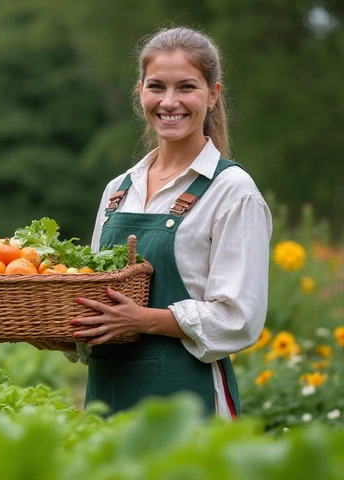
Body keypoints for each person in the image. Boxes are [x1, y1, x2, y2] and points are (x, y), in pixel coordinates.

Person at [66, 26, 272, 419]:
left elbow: (238, 318)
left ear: (212, 95)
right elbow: (97, 295)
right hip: (108, 396)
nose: (170, 102)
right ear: (140, 90)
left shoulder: (233, 191)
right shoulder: (118, 190)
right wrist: (67, 332)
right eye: (157, 86)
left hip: (188, 400)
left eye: (186, 87)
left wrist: (142, 320)